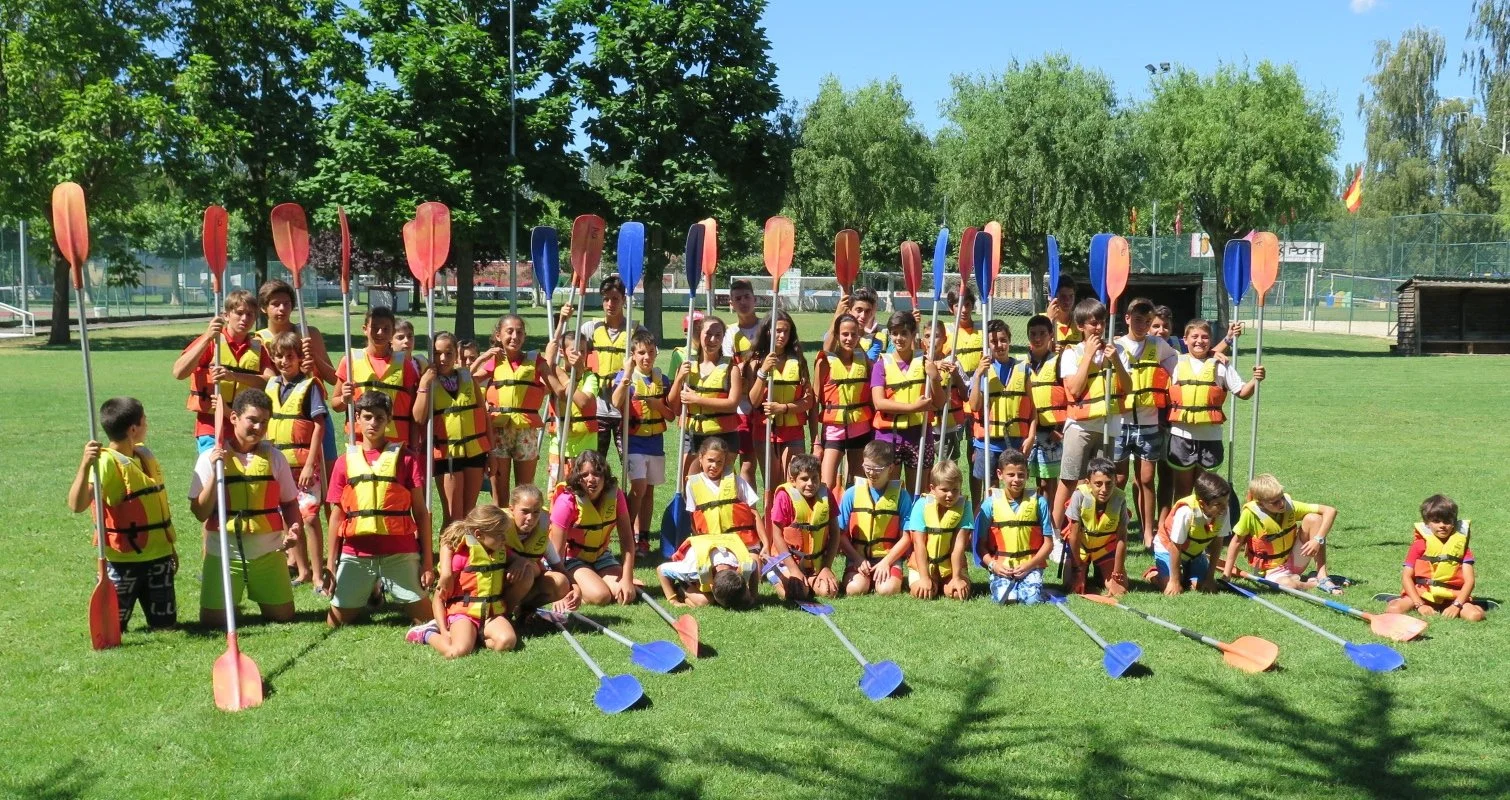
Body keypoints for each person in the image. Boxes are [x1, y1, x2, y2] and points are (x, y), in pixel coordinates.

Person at [189, 389, 303, 627]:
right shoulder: (209, 457)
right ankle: (228, 597)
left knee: (284, 617)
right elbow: (200, 512)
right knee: (213, 623)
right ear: (234, 418)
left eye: (264, 422)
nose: (258, 428)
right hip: (224, 553)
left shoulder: (275, 458)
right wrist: (215, 473)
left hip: (268, 553)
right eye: (252, 420)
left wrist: (294, 527)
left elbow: (289, 502)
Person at [323, 392, 435, 626]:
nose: (373, 423)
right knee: (336, 623)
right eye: (367, 417)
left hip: (399, 552)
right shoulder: (345, 462)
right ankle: (372, 588)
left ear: (389, 420)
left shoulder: (406, 459)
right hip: (356, 554)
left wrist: (426, 564)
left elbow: (421, 514)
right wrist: (331, 564)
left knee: (426, 619)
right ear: (357, 419)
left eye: (379, 418)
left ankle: (381, 585)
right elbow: (336, 517)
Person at [67, 397, 179, 630]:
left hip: (159, 558)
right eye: (145, 420)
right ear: (133, 429)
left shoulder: (143, 455)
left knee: (166, 626)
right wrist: (85, 465)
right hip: (123, 563)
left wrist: (171, 550)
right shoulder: (106, 462)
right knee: (114, 627)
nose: (147, 425)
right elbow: (77, 505)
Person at [1054, 299, 1131, 538]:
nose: (1098, 328)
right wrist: (1088, 356)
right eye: (1093, 324)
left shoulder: (1118, 352)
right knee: (1069, 480)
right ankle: (1055, 535)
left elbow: (1127, 388)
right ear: (1080, 326)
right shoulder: (1071, 354)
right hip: (1080, 426)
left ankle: (1094, 533)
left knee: (1101, 483)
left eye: (1102, 323)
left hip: (1108, 426)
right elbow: (1074, 390)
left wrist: (1116, 361)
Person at [1165, 319, 1264, 501]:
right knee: (1182, 491)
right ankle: (1181, 527)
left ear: (1210, 340)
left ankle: (1207, 528)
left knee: (1207, 491)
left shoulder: (1220, 365)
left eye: (1205, 337)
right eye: (1194, 337)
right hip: (1181, 437)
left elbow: (1242, 392)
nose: (1199, 341)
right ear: (1185, 339)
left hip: (1210, 438)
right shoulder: (1174, 362)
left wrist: (1255, 380)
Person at [263, 331, 329, 589]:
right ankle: (301, 570)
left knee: (310, 517)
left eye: (289, 356)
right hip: (279, 464)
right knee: (289, 519)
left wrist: (311, 463)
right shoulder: (271, 386)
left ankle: (318, 574)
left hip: (303, 465)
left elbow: (319, 426)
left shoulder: (309, 386)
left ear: (299, 358)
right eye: (278, 356)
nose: (283, 361)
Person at [407, 505, 519, 657]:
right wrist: (444, 630)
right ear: (478, 534)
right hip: (464, 613)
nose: (505, 539)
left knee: (507, 642)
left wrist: (522, 563)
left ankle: (473, 638)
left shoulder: (501, 551)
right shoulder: (460, 558)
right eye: (500, 534)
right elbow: (439, 599)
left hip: (490, 614)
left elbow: (519, 560)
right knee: (456, 652)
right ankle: (427, 633)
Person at [255, 280, 338, 481]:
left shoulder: (309, 334)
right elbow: (263, 384)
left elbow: (333, 379)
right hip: (283, 421)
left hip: (316, 414)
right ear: (264, 308)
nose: (282, 308)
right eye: (275, 304)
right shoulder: (259, 341)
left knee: (327, 479)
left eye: (286, 303)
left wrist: (314, 358)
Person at [1116, 298, 1179, 550]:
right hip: (1120, 421)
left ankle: (1148, 533)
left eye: (1147, 320)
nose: (1142, 325)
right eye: (1138, 319)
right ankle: (1117, 527)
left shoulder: (1159, 345)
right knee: (1119, 478)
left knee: (1146, 478)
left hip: (1149, 421)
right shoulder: (1117, 346)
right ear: (1128, 318)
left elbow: (1178, 365)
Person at [558, 276, 643, 459]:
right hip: (598, 409)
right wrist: (563, 320)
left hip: (624, 408)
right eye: (606, 299)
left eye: (615, 299)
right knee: (594, 464)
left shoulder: (636, 331)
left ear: (623, 300)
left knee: (630, 464)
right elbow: (567, 349)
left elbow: (647, 362)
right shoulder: (590, 328)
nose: (610, 304)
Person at [171, 289, 266, 452]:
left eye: (250, 314)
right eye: (239, 313)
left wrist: (233, 375)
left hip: (246, 428)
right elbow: (179, 373)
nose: (244, 318)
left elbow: (269, 381)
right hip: (211, 426)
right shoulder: (211, 341)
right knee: (214, 473)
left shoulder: (258, 347)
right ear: (226, 315)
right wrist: (208, 337)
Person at [611, 330, 676, 557]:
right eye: (641, 353)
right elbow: (616, 403)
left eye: (650, 352)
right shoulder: (626, 377)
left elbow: (670, 415)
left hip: (655, 443)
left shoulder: (662, 379)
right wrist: (627, 374)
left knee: (648, 491)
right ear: (633, 355)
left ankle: (644, 538)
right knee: (637, 488)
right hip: (634, 441)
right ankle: (627, 534)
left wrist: (655, 404)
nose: (646, 357)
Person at [1223, 474, 1340, 593]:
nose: (1282, 504)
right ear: (1261, 503)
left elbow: (1330, 511)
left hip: (1294, 559)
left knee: (1314, 519)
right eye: (1275, 502)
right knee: (1287, 585)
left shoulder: (1289, 505)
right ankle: (1311, 583)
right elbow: (1236, 542)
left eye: (1282, 497)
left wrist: (1317, 540)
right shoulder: (1250, 515)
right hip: (1271, 570)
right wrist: (1226, 574)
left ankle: (1322, 576)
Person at [549, 450, 636, 607]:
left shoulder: (616, 496)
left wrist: (627, 578)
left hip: (601, 556)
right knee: (601, 597)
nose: (591, 480)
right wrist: (562, 588)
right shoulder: (567, 501)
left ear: (605, 476)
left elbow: (627, 539)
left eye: (597, 473)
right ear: (577, 478)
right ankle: (583, 585)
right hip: (570, 559)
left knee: (622, 593)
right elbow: (556, 552)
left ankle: (592, 579)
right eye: (584, 475)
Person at [331, 307, 422, 452]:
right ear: (365, 329)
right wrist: (344, 398)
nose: (380, 333)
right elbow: (335, 404)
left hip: (396, 444)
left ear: (392, 332)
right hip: (362, 443)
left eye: (386, 329)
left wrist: (414, 445)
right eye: (375, 328)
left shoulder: (404, 365)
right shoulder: (350, 361)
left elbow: (413, 411)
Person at [474, 314, 546, 499]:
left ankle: (522, 527)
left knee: (525, 493)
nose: (515, 336)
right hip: (499, 430)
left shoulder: (535, 360)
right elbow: (466, 381)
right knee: (500, 494)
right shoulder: (494, 361)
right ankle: (502, 527)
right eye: (509, 331)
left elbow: (556, 385)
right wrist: (481, 359)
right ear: (498, 335)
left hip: (526, 431)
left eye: (519, 332)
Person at [964, 319, 1034, 506]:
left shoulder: (1023, 369)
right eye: (993, 342)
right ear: (987, 345)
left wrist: (1031, 436)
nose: (999, 345)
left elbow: (1033, 409)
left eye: (1003, 340)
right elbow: (975, 406)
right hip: (987, 443)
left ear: (1009, 340)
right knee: (989, 488)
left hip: (1014, 441)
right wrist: (978, 375)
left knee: (1014, 487)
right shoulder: (982, 372)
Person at [424, 332, 491, 525]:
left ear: (456, 354)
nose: (443, 358)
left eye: (448, 353)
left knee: (469, 514)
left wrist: (491, 453)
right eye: (437, 353)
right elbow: (419, 417)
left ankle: (465, 555)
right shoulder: (427, 381)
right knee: (454, 516)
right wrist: (424, 384)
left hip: (475, 452)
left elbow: (482, 413)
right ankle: (447, 554)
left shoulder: (467, 377)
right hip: (448, 454)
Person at [1385, 494, 1485, 622]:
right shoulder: (1419, 545)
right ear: (1427, 523)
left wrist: (1456, 605)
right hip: (1423, 593)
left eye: (1447, 521)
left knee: (1475, 616)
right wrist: (1419, 604)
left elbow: (1470, 580)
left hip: (1452, 597)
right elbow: (1406, 577)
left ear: (1454, 522)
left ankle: (1476, 606)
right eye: (1436, 521)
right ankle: (1402, 600)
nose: (1442, 525)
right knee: (1393, 610)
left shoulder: (1462, 548)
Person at [871, 310, 940, 491]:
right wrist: (913, 407)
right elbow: (879, 403)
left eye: (904, 333)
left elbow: (940, 402)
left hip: (919, 435)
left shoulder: (925, 363)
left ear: (913, 335)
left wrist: (934, 377)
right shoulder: (881, 365)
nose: (899, 338)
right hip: (888, 437)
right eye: (894, 333)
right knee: (889, 491)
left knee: (917, 491)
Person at [974, 450, 1054, 605]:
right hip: (1002, 566)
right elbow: (980, 546)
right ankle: (1002, 584)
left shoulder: (1039, 502)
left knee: (1031, 601)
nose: (1016, 479)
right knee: (1006, 600)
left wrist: (1029, 565)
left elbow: (1048, 544)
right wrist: (994, 565)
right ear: (1000, 474)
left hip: (1031, 565)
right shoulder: (990, 504)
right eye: (1011, 475)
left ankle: (1033, 587)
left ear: (1027, 474)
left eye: (1021, 475)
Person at [838, 440, 914, 596]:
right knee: (855, 589)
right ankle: (861, 577)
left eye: (878, 469)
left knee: (887, 590)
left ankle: (890, 575)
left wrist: (887, 562)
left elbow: (907, 537)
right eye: (868, 467)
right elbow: (840, 535)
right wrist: (857, 559)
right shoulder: (852, 493)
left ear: (891, 468)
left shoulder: (902, 496)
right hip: (858, 557)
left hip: (889, 558)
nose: (872, 473)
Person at [673, 316, 743, 480]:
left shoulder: (731, 369)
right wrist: (678, 379)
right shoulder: (687, 367)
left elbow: (732, 404)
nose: (713, 340)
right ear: (699, 334)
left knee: (719, 486)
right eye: (708, 334)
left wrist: (697, 399)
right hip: (693, 434)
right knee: (689, 483)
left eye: (718, 335)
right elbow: (675, 408)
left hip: (723, 435)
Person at [749, 309, 811, 488]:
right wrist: (763, 372)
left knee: (792, 483)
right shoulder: (756, 361)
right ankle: (770, 515)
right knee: (771, 484)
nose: (782, 335)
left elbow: (808, 400)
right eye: (778, 330)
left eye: (786, 331)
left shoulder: (798, 360)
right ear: (768, 331)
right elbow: (754, 401)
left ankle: (789, 516)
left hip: (793, 430)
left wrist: (783, 408)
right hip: (765, 430)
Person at [813, 313, 873, 494]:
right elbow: (815, 401)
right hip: (834, 430)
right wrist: (816, 440)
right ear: (837, 335)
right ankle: (826, 520)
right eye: (845, 334)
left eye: (854, 334)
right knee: (826, 483)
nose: (849, 339)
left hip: (860, 428)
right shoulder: (825, 361)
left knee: (857, 484)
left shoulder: (864, 361)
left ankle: (849, 521)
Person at [768, 454, 840, 600]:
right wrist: (794, 570)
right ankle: (774, 575)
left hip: (815, 562)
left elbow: (835, 533)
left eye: (815, 478)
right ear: (793, 481)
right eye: (804, 479)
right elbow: (776, 535)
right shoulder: (784, 497)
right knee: (797, 593)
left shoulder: (826, 496)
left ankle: (810, 579)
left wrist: (827, 567)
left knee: (829, 592)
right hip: (788, 561)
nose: (810, 483)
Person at [1150, 471, 1230, 596]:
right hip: (1168, 548)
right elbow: (1175, 546)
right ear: (1202, 503)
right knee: (1168, 585)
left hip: (1195, 552)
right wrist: (1174, 581)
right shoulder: (1186, 512)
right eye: (1218, 504)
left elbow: (1218, 543)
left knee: (1199, 586)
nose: (1224, 508)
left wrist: (1210, 578)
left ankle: (1187, 571)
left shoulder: (1223, 511)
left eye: (1226, 502)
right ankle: (1154, 574)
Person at [684, 437, 768, 552]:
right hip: (712, 545)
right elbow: (693, 519)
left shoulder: (736, 481)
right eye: (710, 460)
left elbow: (754, 513)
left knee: (753, 566)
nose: (715, 466)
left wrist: (766, 543)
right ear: (700, 458)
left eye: (719, 462)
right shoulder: (692, 485)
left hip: (742, 544)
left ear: (725, 462)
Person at [499, 483, 571, 615]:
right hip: (495, 583)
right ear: (511, 509)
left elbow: (559, 567)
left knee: (561, 582)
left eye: (536, 512)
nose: (530, 519)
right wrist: (519, 560)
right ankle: (503, 615)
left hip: (524, 583)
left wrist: (575, 588)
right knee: (527, 572)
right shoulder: (498, 526)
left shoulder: (540, 530)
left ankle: (525, 610)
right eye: (525, 511)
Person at [1063, 457, 1129, 597]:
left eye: (1109, 484)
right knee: (1071, 587)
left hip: (1104, 549)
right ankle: (1084, 570)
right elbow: (1074, 536)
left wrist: (1117, 573)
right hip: (1081, 548)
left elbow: (1122, 539)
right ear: (1088, 483)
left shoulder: (1120, 499)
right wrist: (1078, 568)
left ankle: (1101, 571)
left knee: (1120, 591)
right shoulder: (1079, 496)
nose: (1104, 489)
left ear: (1115, 482)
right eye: (1098, 484)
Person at [905, 461, 970, 600]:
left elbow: (959, 544)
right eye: (944, 490)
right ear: (932, 489)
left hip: (950, 566)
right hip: (924, 565)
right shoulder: (921, 505)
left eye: (955, 490)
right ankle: (929, 581)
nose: (950, 495)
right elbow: (918, 543)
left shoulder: (965, 507)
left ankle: (947, 581)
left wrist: (957, 577)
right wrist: (924, 577)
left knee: (958, 594)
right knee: (922, 593)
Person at [542, 331, 600, 485]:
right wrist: (552, 365)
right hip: (559, 447)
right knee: (557, 493)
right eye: (575, 351)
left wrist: (575, 375)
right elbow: (544, 387)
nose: (579, 355)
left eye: (583, 351)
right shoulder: (555, 373)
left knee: (583, 493)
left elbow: (584, 404)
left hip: (585, 448)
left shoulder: (591, 377)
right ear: (562, 352)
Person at [722, 279, 764, 484]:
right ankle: (750, 512)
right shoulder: (730, 333)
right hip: (741, 407)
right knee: (745, 463)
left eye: (746, 297)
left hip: (765, 405)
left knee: (766, 462)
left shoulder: (768, 329)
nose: (743, 302)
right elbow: (728, 369)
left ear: (754, 299)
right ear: (731, 303)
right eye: (737, 298)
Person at [1024, 315, 1067, 503]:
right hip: (1030, 431)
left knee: (1049, 481)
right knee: (1032, 478)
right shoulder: (1022, 364)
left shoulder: (1059, 362)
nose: (1038, 338)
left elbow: (1071, 397)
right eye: (1033, 334)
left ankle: (1050, 523)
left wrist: (1060, 429)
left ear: (1051, 335)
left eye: (1042, 333)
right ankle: (1038, 519)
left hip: (1052, 432)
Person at [658, 532, 756, 609]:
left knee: (743, 599)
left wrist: (753, 595)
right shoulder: (692, 570)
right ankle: (681, 587)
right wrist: (673, 600)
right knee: (704, 602)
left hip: (718, 545)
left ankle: (690, 596)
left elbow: (755, 563)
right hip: (694, 561)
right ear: (711, 586)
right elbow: (661, 570)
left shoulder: (745, 566)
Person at [1045, 280, 1080, 349]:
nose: (1067, 301)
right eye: (1063, 296)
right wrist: (1050, 320)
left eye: (1071, 296)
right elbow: (1035, 355)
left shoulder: (1080, 320)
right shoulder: (1041, 320)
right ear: (1052, 298)